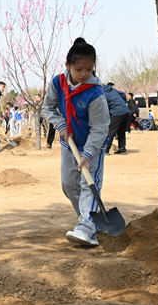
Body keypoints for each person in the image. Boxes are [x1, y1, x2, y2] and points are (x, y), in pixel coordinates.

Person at [44, 37, 110, 247]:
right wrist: (60, 125)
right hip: (68, 143)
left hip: (92, 146)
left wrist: (89, 155)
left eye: (89, 69)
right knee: (69, 185)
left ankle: (87, 228)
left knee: (88, 185)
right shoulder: (57, 82)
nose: (83, 74)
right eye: (78, 69)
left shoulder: (95, 93)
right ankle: (88, 219)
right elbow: (48, 107)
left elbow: (99, 128)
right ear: (68, 65)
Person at [103, 82, 130, 155]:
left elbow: (104, 106)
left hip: (117, 112)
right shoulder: (112, 89)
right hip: (125, 110)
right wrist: (123, 104)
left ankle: (106, 150)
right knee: (121, 131)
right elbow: (123, 94)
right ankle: (122, 149)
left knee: (110, 130)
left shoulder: (101, 92)